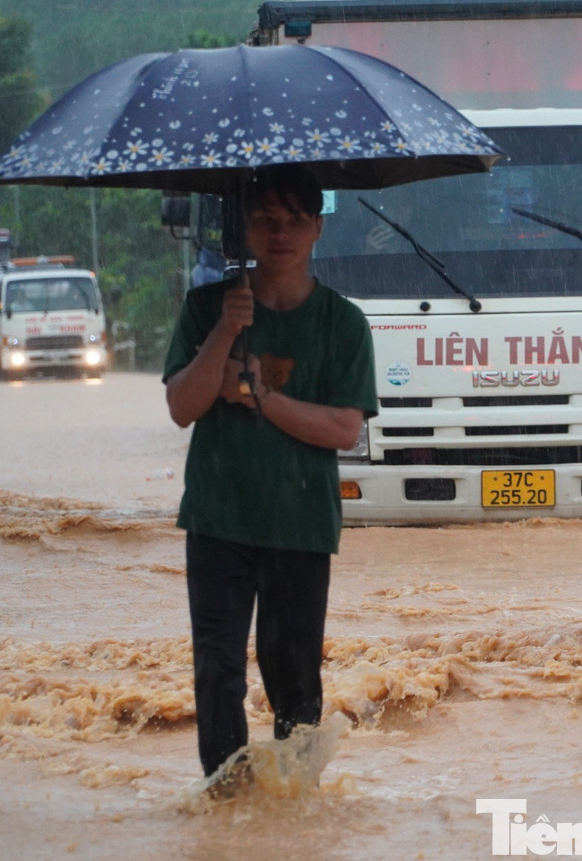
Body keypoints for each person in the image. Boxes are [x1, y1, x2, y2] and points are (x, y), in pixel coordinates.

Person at [162, 164, 377, 793]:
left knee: (294, 679)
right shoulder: (207, 308)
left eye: (292, 220)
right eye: (263, 218)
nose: (278, 232)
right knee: (218, 671)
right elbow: (182, 407)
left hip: (300, 525)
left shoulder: (342, 323)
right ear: (245, 228)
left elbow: (343, 429)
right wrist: (227, 330)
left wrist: (259, 397)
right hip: (218, 520)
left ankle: (294, 806)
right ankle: (227, 801)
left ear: (316, 228)